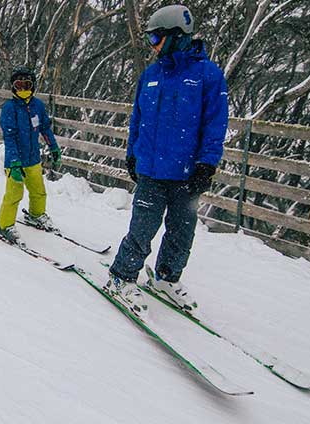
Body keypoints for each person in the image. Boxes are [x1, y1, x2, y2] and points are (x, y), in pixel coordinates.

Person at [106, 5, 228, 313]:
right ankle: (122, 276)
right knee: (142, 228)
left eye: (156, 38)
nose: (153, 45)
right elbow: (138, 118)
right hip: (150, 169)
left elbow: (215, 124)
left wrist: (207, 163)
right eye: (150, 38)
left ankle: (166, 277)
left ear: (177, 36)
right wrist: (131, 153)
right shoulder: (151, 75)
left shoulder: (208, 76)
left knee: (181, 231)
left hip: (187, 172)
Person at [0, 66, 62, 246]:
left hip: (33, 158)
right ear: (13, 87)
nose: (23, 89)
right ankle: (4, 225)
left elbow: (45, 128)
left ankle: (36, 214)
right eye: (19, 85)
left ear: (33, 86)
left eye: (27, 85)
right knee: (14, 194)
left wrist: (53, 147)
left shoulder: (37, 105)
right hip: (16, 161)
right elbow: (9, 137)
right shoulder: (9, 108)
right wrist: (14, 163)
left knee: (38, 190)